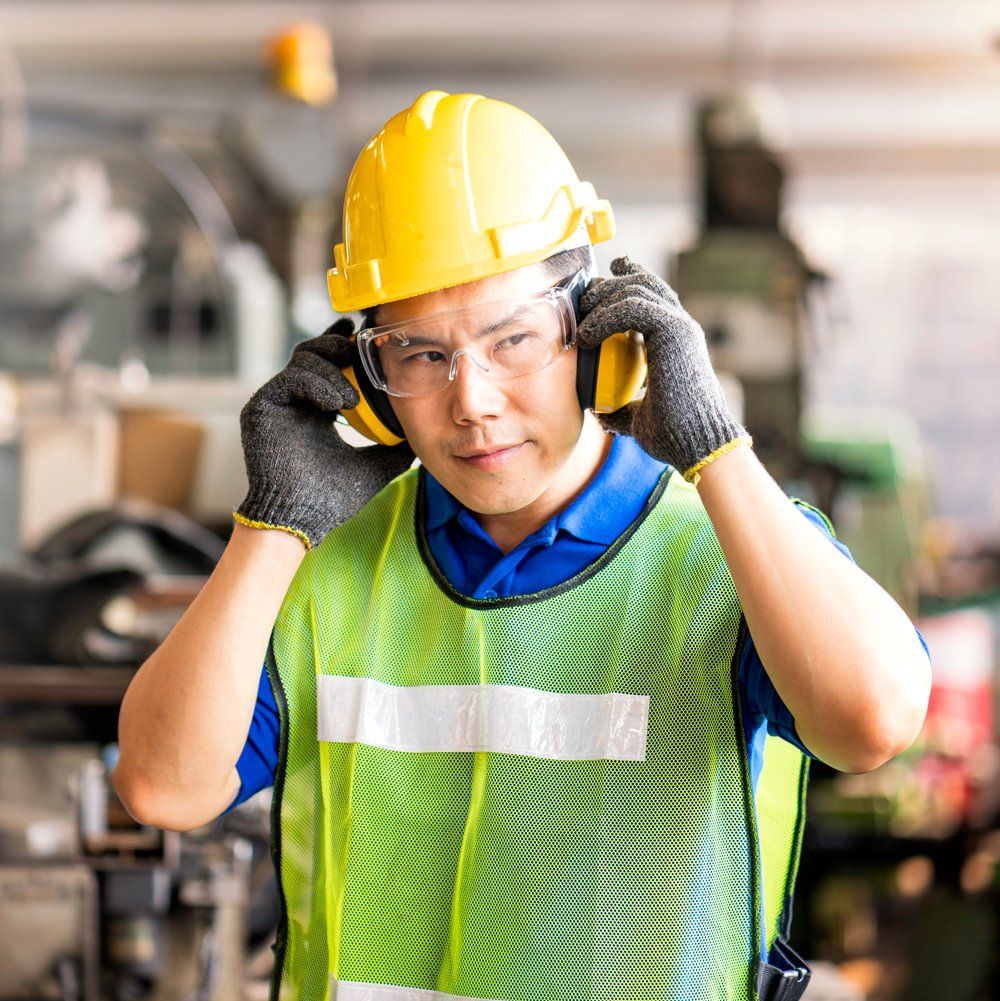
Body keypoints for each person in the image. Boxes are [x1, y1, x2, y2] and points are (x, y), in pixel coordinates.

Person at [114, 91, 932, 1001]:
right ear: (369, 382)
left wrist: (715, 449)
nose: (472, 400)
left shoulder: (727, 555)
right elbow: (162, 788)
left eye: (513, 339)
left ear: (595, 337)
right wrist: (271, 526)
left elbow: (872, 723)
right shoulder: (323, 572)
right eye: (420, 355)